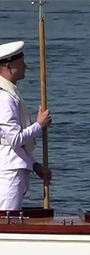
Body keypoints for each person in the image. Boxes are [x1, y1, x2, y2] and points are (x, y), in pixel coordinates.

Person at [0, 40, 52, 210]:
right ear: (8, 67)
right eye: (21, 63)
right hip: (9, 172)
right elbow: (14, 139)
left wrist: (35, 165)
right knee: (7, 221)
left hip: (14, 167)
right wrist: (39, 124)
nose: (25, 66)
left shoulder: (10, 94)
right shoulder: (5, 98)